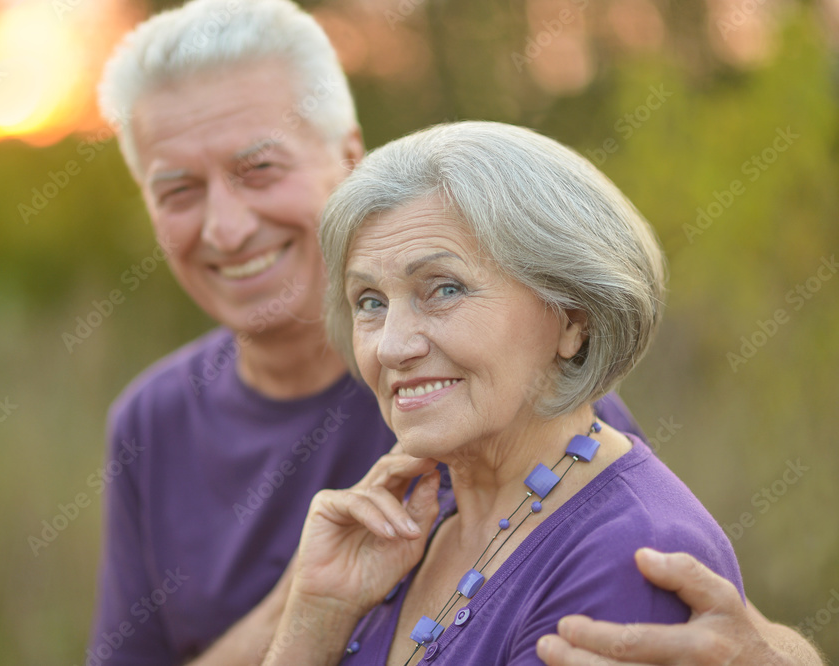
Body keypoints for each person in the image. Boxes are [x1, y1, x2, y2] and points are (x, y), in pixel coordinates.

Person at [88, 1, 823, 665]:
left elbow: (653, 563)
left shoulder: (506, 394)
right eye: (178, 189)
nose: (225, 225)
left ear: (349, 158)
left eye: (258, 168)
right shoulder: (151, 418)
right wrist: (305, 614)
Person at [260, 120, 741, 664]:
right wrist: (316, 613)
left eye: (444, 289)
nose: (391, 347)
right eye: (370, 300)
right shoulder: (408, 523)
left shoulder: (629, 555)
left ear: (572, 320)